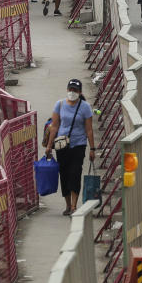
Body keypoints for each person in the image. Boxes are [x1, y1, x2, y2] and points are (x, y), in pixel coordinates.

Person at [45, 79, 96, 215]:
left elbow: (89, 130)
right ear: (67, 90)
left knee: (75, 173)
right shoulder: (60, 105)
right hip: (62, 145)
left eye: (75, 90)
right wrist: (49, 146)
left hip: (79, 145)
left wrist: (92, 148)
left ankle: (74, 206)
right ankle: (68, 205)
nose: (72, 93)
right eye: (71, 90)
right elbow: (54, 127)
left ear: (79, 92)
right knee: (64, 175)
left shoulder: (85, 107)